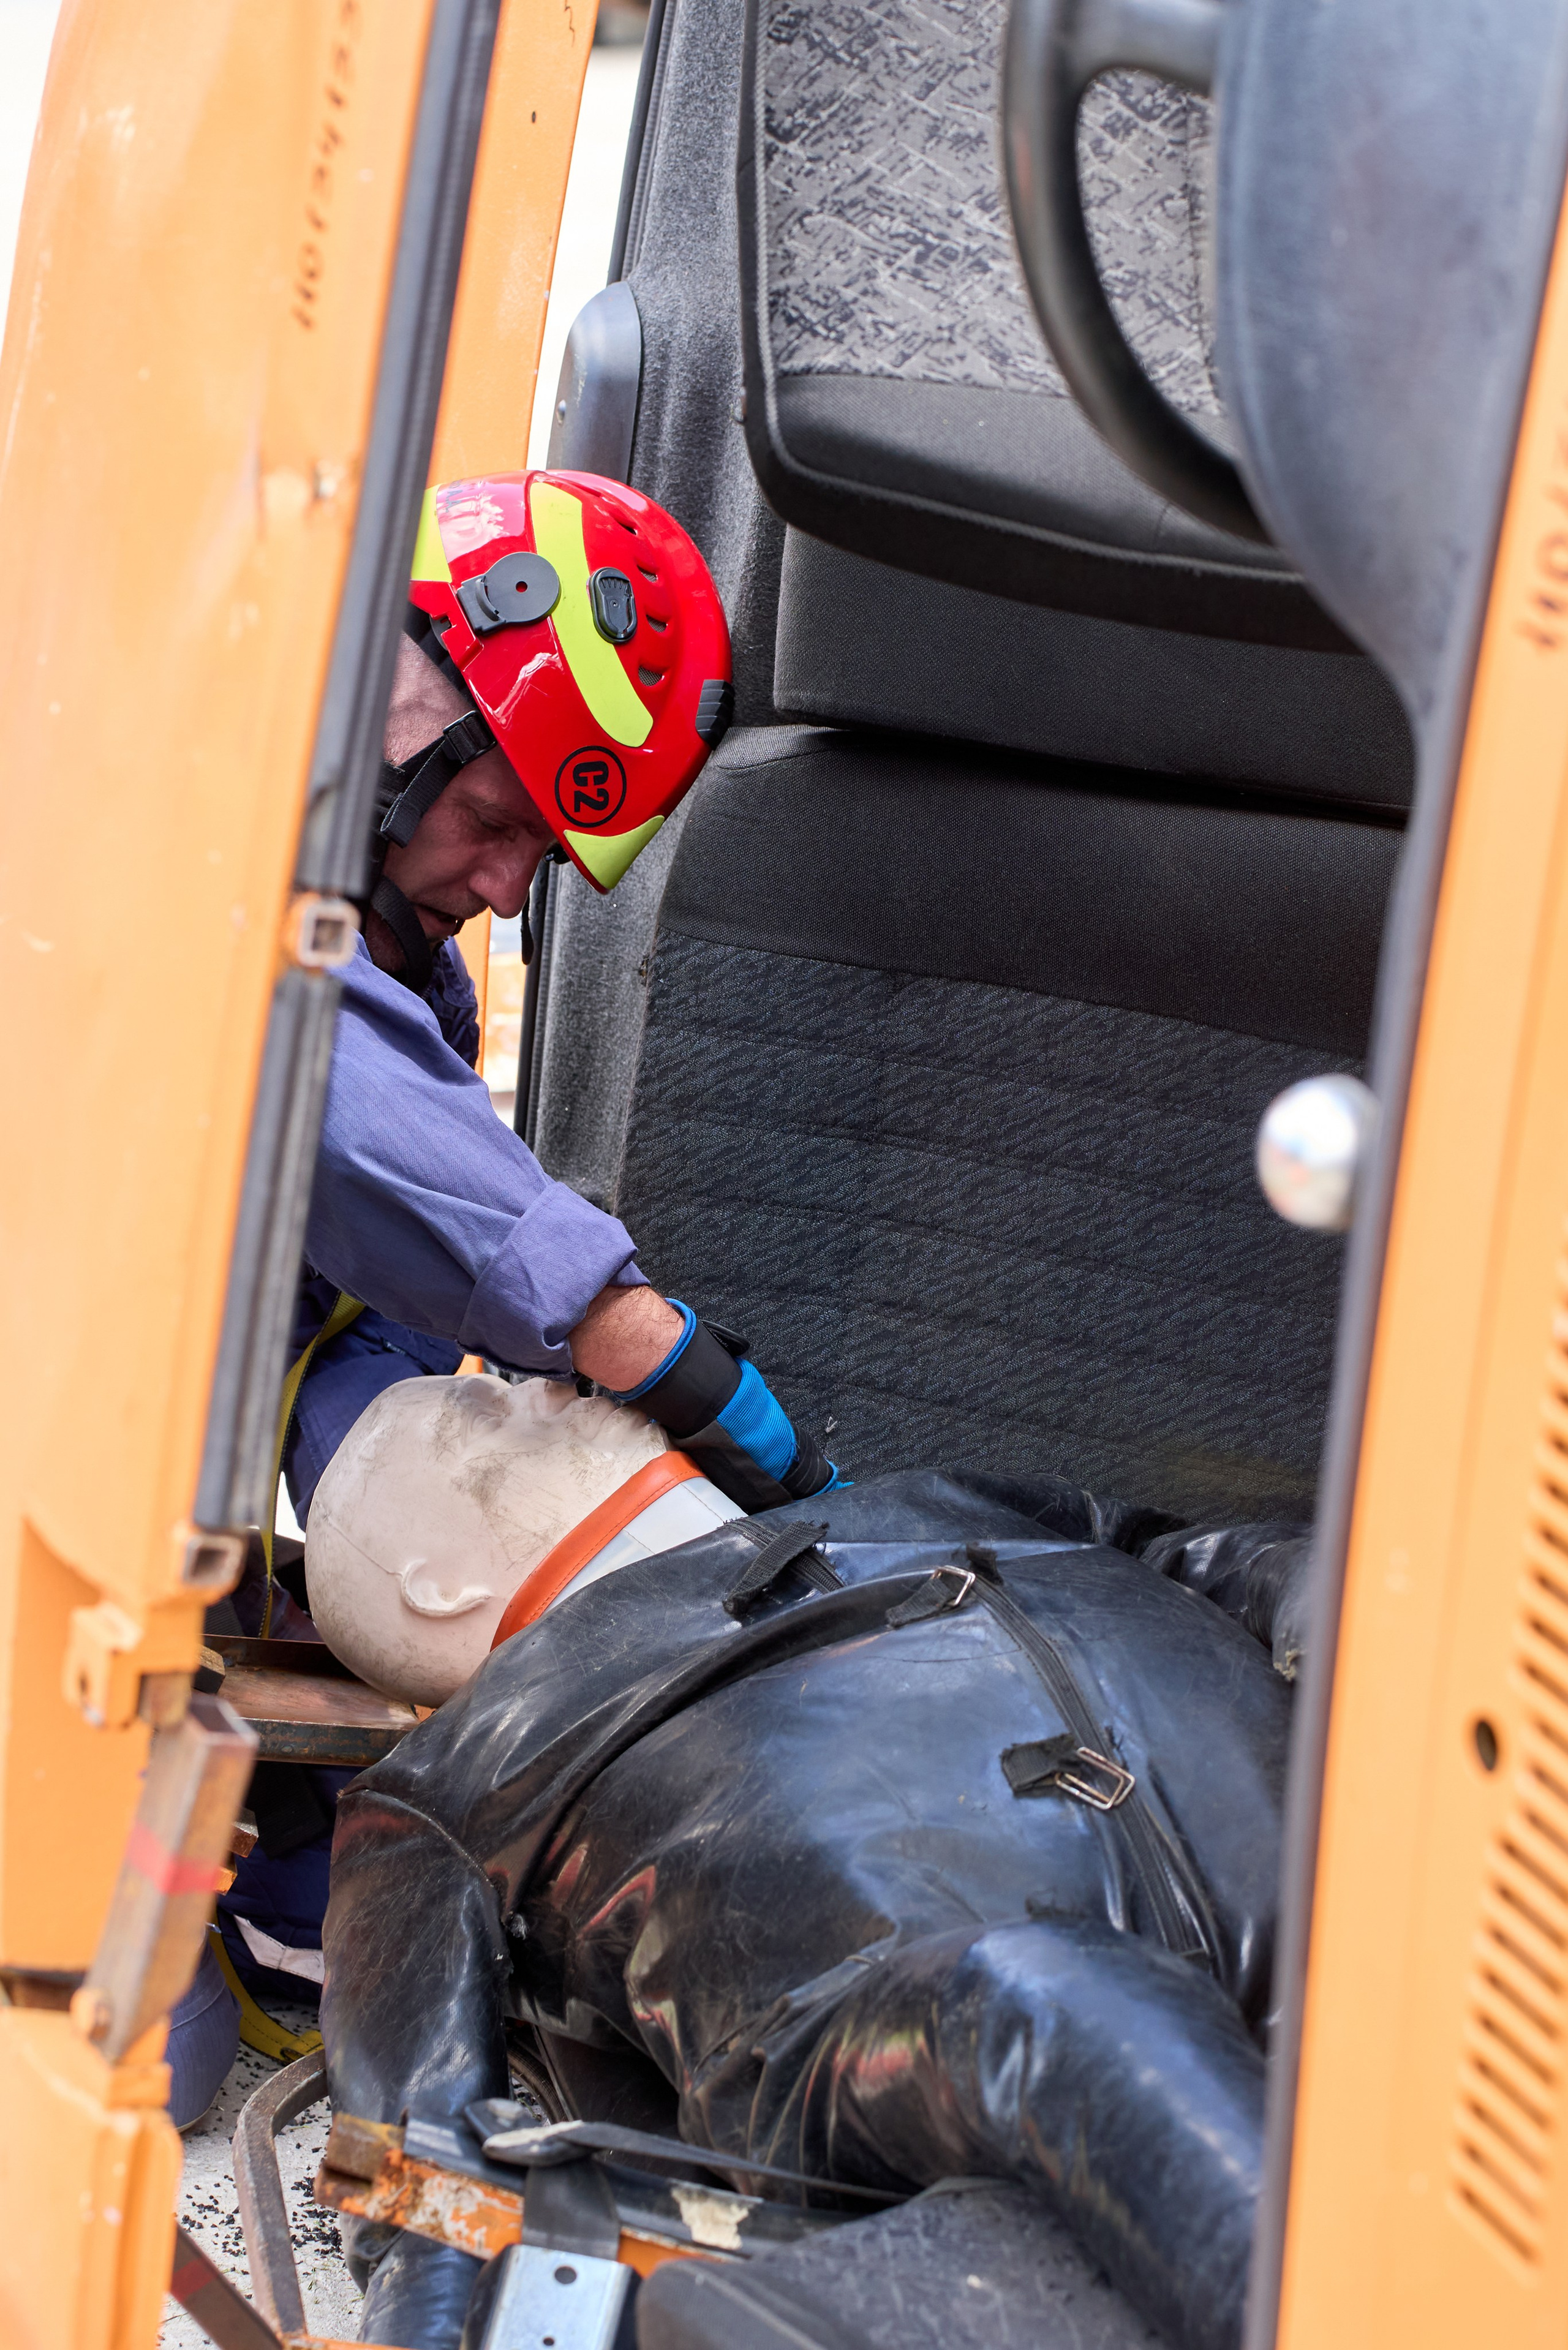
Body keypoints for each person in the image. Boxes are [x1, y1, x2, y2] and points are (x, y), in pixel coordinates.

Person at [177, 468, 838, 2125]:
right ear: (407, 711)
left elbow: (359, 1324)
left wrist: (374, 1493)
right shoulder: (252, 914)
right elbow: (527, 1267)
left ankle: (278, 1890)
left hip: (151, 1458)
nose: (496, 885)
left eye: (536, 855)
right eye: (494, 827)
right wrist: (751, 1438)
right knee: (140, 2069)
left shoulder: (414, 968)